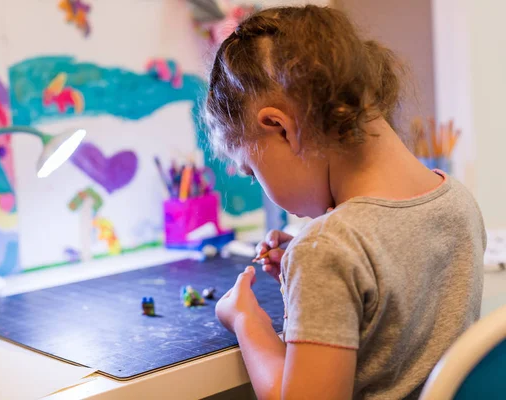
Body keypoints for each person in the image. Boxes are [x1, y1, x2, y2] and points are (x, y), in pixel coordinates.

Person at [205, 5, 486, 399]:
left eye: (251, 171)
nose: (259, 184)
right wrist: (314, 276)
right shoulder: (457, 201)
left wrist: (247, 321)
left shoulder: (328, 249)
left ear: (281, 128)